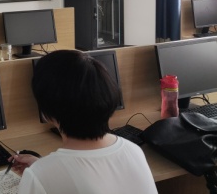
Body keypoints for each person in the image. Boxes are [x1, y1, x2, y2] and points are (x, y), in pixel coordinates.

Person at [10, 50, 158, 194]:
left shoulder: (40, 176)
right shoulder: (133, 151)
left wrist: (41, 171)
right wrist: (43, 167)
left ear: (46, 111)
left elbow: (63, 176)